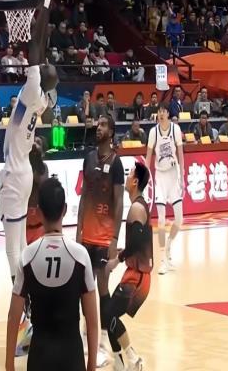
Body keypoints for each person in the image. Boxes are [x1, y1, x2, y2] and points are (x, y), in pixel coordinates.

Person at [0, 0, 60, 353]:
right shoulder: (41, 97)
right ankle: (33, 316)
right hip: (22, 172)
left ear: (43, 77)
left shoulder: (34, 87)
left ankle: (26, 315)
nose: (42, 62)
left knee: (12, 253)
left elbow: (36, 43)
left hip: (15, 174)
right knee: (20, 247)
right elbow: (43, 44)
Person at [6, 177, 98, 371]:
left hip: (39, 358)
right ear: (64, 210)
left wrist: (9, 365)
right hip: (72, 358)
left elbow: (13, 316)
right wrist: (91, 365)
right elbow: (91, 319)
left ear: (39, 212)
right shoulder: (81, 256)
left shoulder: (27, 256)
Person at [76, 114, 124, 367]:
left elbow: (119, 202)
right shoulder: (89, 158)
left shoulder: (116, 163)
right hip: (87, 237)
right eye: (98, 124)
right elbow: (84, 195)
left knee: (103, 289)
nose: (98, 127)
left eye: (104, 125)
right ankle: (87, 338)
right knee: (85, 289)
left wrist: (115, 237)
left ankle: (104, 342)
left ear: (112, 132)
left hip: (105, 238)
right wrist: (78, 230)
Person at [105, 162, 153, 371]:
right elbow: (137, 242)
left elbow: (136, 244)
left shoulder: (136, 208)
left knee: (109, 314)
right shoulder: (139, 206)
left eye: (130, 174)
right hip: (136, 272)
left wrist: (117, 260)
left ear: (135, 182)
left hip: (138, 275)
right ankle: (120, 362)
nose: (127, 176)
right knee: (109, 314)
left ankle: (132, 359)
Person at [145, 103, 184, 275]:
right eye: (159, 112)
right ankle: (162, 260)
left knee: (179, 220)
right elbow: (148, 157)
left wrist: (182, 176)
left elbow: (181, 154)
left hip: (174, 175)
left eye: (163, 111)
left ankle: (168, 247)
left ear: (168, 114)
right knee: (160, 221)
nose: (161, 114)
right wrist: (145, 177)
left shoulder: (176, 129)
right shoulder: (153, 132)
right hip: (160, 176)